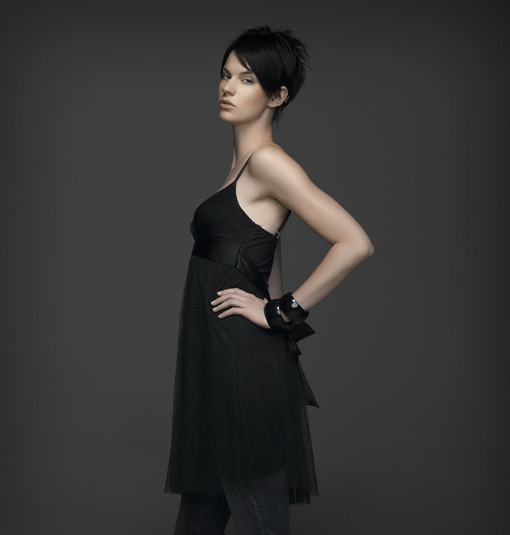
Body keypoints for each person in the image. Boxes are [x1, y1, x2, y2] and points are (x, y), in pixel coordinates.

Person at [164, 25, 374, 535]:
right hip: (221, 360)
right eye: (225, 74)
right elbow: (263, 256)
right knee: (199, 516)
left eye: (247, 79)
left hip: (240, 366)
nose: (228, 87)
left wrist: (277, 312)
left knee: (259, 519)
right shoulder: (241, 167)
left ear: (276, 96)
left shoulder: (268, 163)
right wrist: (270, 303)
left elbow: (354, 242)